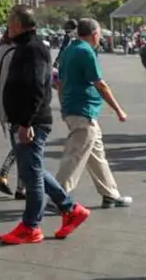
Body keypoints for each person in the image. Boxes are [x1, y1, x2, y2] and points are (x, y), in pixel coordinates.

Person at [0, 5, 89, 245]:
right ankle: (71, 209)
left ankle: (31, 227)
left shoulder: (33, 49)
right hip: (24, 120)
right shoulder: (24, 48)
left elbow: (37, 86)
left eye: (10, 22)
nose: (8, 27)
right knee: (34, 170)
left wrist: (25, 122)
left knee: (32, 177)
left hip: (32, 121)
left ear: (17, 25)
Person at [54, 19, 132, 208]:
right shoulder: (86, 52)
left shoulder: (68, 50)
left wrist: (64, 106)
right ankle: (57, 196)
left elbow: (59, 82)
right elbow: (100, 84)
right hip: (84, 109)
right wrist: (118, 109)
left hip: (73, 108)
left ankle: (110, 193)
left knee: (96, 153)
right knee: (75, 154)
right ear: (95, 34)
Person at [0, 31, 23, 199]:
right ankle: (3, 175)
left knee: (21, 145)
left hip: (6, 100)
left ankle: (20, 187)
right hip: (16, 102)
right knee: (23, 146)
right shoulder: (15, 51)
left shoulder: (3, 49)